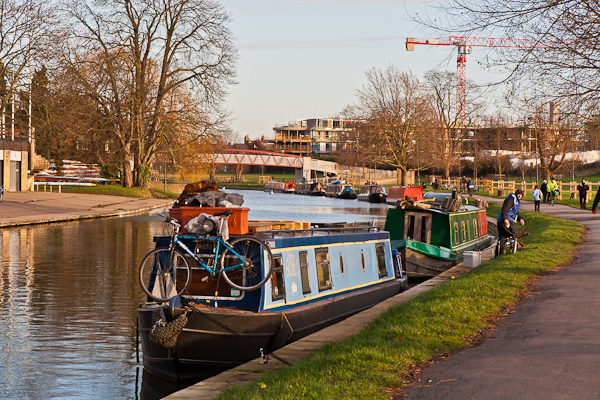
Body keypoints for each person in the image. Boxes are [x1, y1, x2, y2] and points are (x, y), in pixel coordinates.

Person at [497, 188, 525, 255]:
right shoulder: (511, 200)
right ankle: (512, 250)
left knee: (503, 237)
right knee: (514, 234)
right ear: (516, 194)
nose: (520, 196)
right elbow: (504, 209)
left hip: (501, 220)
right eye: (519, 194)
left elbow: (516, 213)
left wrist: (520, 219)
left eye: (521, 195)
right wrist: (505, 219)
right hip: (506, 220)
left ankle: (500, 254)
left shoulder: (516, 201)